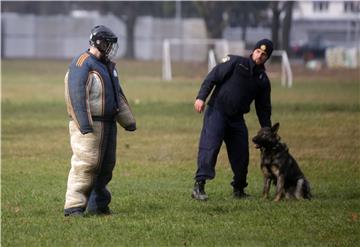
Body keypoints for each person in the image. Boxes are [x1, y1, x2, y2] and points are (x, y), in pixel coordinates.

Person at [64, 25, 136, 216]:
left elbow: (116, 94)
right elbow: (76, 94)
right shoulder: (82, 63)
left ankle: (99, 205)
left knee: (105, 167)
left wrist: (127, 120)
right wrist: (84, 123)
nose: (110, 48)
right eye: (107, 43)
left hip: (108, 124)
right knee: (85, 164)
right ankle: (73, 206)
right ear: (97, 42)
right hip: (90, 124)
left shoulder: (108, 65)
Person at [192, 39, 273, 201]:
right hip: (217, 112)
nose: (259, 56)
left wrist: (267, 131)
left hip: (236, 119)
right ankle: (198, 187)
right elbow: (212, 77)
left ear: (267, 58)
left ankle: (239, 189)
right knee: (210, 148)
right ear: (253, 51)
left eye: (264, 54)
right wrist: (201, 97)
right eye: (258, 51)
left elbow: (263, 108)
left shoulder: (263, 80)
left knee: (241, 154)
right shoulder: (236, 62)